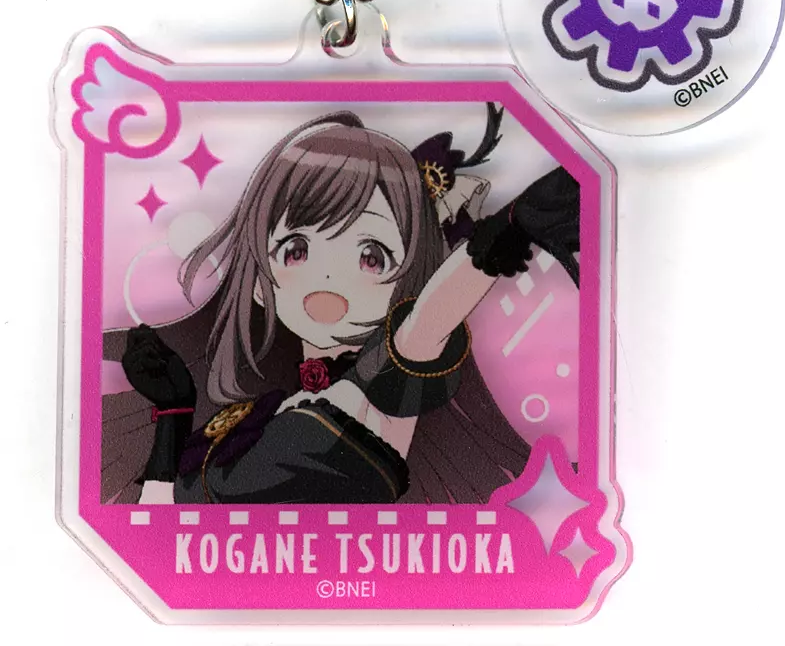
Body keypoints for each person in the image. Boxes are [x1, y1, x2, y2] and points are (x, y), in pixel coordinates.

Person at [102, 107, 579, 505]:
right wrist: (173, 414)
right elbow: (160, 525)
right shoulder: (248, 420)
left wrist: (499, 240)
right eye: (296, 250)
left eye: (371, 256)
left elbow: (428, 323)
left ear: (408, 279)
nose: (329, 277)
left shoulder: (377, 388)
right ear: (260, 285)